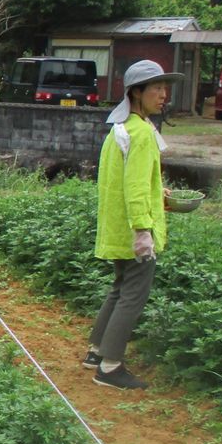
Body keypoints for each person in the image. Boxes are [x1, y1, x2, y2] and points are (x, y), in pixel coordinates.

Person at [84, 60, 181, 390]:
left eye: (164, 88)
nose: (163, 94)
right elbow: (136, 187)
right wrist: (143, 230)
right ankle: (110, 367)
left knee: (120, 288)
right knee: (132, 296)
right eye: (156, 88)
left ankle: (97, 352)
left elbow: (129, 181)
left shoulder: (122, 128)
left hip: (117, 226)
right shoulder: (140, 134)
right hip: (134, 230)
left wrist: (159, 192)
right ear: (136, 93)